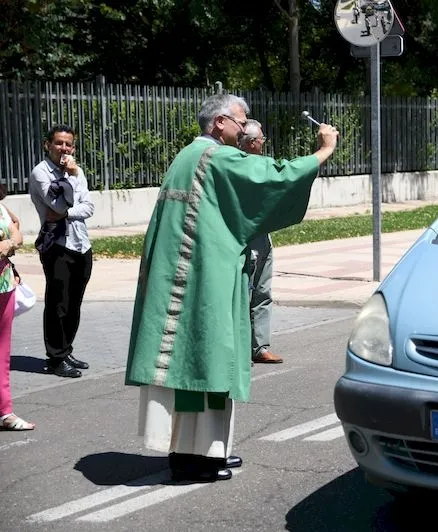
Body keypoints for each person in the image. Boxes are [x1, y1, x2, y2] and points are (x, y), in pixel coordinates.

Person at [125, 93, 338, 483]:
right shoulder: (215, 156)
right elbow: (274, 176)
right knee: (203, 362)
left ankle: (205, 452)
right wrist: (323, 151)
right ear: (219, 121)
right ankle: (191, 460)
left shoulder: (190, 156)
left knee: (201, 363)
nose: (244, 130)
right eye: (242, 121)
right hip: (201, 279)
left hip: (194, 273)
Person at [28, 125, 95, 379]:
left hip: (81, 244)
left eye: (68, 144)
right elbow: (57, 203)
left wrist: (68, 212)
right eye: (58, 143)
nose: (64, 148)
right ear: (48, 145)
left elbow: (88, 207)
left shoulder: (77, 171)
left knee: (74, 302)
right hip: (57, 245)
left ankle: (66, 350)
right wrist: (70, 182)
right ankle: (55, 358)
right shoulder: (41, 172)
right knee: (59, 303)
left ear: (73, 147)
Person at [238, 119, 282, 364]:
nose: (264, 142)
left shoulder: (264, 164)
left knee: (263, 291)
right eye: (261, 138)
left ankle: (260, 347)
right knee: (244, 292)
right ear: (252, 142)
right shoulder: (238, 166)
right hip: (247, 236)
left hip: (263, 235)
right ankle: (239, 348)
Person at [0, 190, 33, 431]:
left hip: (5, 285)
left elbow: (17, 235)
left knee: (2, 353)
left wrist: (9, 243)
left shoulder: (1, 209)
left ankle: (5, 412)